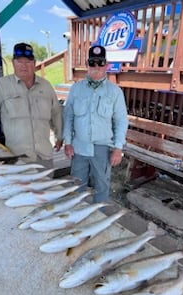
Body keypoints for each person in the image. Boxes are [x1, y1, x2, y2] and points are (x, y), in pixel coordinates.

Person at [0, 42, 63, 169]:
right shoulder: (1, 86)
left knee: (45, 188)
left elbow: (56, 113)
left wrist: (59, 136)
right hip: (16, 159)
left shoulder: (46, 86)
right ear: (13, 62)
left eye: (28, 62)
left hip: (44, 158)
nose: (23, 66)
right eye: (19, 61)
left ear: (34, 63)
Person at [63, 45, 128, 203]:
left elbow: (121, 121)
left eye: (101, 63)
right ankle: (76, 217)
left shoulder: (115, 92)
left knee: (102, 186)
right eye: (93, 63)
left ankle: (100, 219)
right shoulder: (76, 89)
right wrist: (68, 142)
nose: (96, 67)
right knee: (76, 185)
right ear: (87, 65)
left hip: (102, 149)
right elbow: (68, 117)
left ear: (106, 65)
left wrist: (118, 148)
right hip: (79, 147)